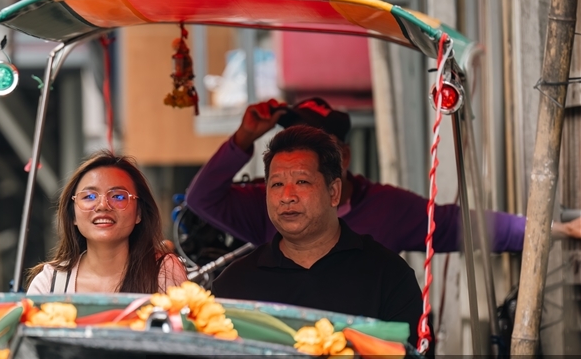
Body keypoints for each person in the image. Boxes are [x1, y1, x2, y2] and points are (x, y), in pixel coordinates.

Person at [187, 97, 581, 253]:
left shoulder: (386, 209)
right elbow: (202, 199)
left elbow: (462, 226)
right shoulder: (268, 203)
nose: (290, 191)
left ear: (342, 156)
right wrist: (244, 138)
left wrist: (558, 230)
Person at [212, 126, 423, 344]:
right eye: (277, 184)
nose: (287, 197)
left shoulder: (388, 276)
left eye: (302, 182)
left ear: (334, 193)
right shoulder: (234, 285)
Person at [27, 151, 188, 294]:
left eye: (118, 196)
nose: (103, 205)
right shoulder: (49, 284)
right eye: (89, 196)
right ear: (73, 215)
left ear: (139, 213)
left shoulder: (164, 271)